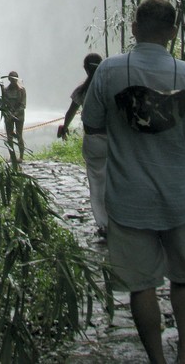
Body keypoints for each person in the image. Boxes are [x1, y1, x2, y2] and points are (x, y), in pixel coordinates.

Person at [82, 0, 185, 364]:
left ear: (134, 28)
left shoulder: (109, 72)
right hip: (182, 194)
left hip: (128, 196)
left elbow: (93, 126)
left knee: (141, 285)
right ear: (173, 33)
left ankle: (157, 358)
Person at [57, 52, 107, 237]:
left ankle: (103, 223)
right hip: (114, 141)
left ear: (85, 69)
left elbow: (71, 112)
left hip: (93, 141)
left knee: (97, 183)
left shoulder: (83, 90)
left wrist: (64, 127)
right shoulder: (110, 87)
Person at [0, 71, 26, 165]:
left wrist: (14, 114)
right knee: (9, 137)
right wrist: (7, 113)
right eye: (12, 79)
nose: (14, 81)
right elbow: (2, 103)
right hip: (8, 116)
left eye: (15, 79)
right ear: (9, 79)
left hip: (19, 116)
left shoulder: (22, 90)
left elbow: (23, 105)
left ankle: (21, 156)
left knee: (19, 136)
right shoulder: (5, 90)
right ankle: (12, 156)